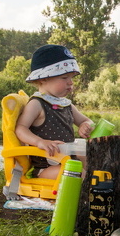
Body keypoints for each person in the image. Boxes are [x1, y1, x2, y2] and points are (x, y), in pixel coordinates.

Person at [15, 44, 94, 179]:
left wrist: (85, 125)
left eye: (72, 78)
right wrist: (40, 142)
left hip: (68, 161)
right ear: (43, 78)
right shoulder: (37, 104)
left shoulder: (66, 105)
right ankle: (89, 195)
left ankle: (97, 191)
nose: (71, 83)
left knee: (95, 163)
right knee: (78, 174)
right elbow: (20, 129)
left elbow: (87, 120)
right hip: (47, 168)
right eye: (64, 78)